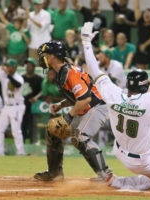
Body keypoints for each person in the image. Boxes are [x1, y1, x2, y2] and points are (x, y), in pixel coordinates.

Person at [81, 21, 150, 190]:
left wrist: (86, 43)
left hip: (119, 151)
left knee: (148, 150)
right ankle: (120, 184)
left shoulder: (113, 93)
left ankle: (115, 180)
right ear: (145, 86)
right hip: (141, 159)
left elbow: (94, 69)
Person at [34, 40, 112, 182]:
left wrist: (69, 117)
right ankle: (54, 173)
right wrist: (61, 105)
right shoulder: (61, 72)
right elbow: (77, 97)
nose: (43, 57)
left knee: (81, 136)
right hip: (86, 107)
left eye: (45, 54)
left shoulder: (70, 73)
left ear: (53, 56)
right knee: (53, 131)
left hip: (97, 106)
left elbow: (85, 99)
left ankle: (106, 175)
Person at [22, 58, 43, 143]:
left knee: (33, 126)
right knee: (22, 125)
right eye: (27, 66)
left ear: (34, 67)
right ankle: (21, 145)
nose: (28, 67)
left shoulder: (39, 79)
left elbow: (43, 91)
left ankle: (32, 144)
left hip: (34, 106)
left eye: (30, 66)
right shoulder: (21, 78)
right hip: (23, 105)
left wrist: (36, 98)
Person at [133, 0, 150, 70]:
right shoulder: (140, 22)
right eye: (145, 13)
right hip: (140, 49)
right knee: (140, 70)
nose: (146, 14)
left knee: (148, 70)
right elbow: (137, 8)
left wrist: (145, 45)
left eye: (149, 13)